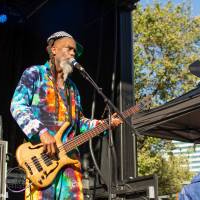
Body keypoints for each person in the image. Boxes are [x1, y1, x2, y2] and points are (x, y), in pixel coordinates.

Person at [10, 31, 122, 200]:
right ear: (53, 49)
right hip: (42, 160)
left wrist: (105, 124)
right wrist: (42, 132)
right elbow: (17, 106)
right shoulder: (35, 73)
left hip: (70, 161)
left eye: (74, 51)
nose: (72, 53)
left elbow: (79, 123)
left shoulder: (73, 89)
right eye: (68, 49)